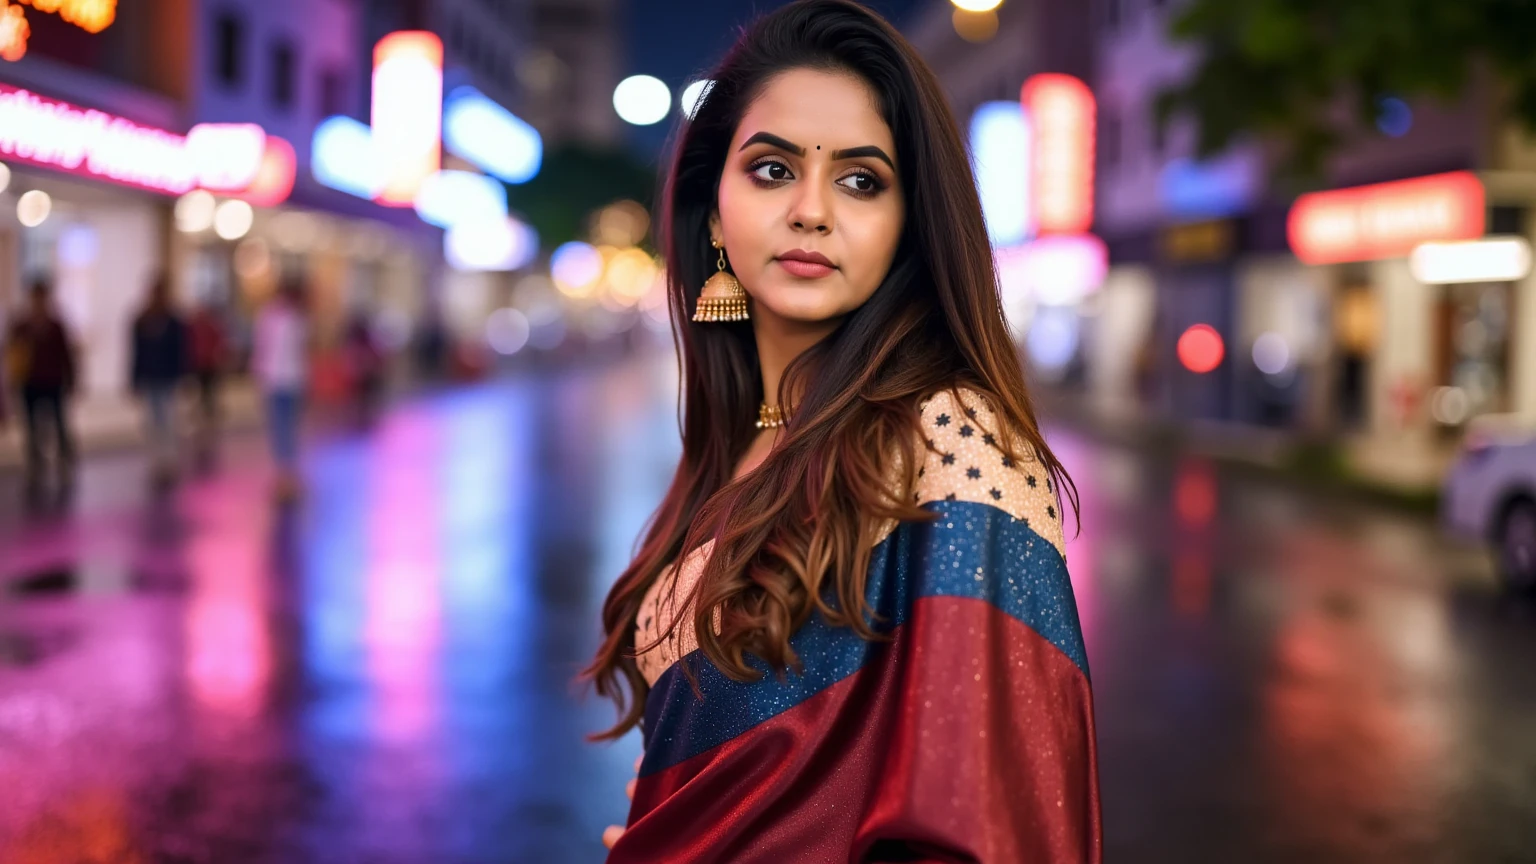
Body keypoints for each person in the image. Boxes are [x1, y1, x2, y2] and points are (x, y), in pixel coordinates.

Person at [584, 2, 1101, 861]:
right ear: (714, 211)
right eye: (772, 169)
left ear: (909, 225)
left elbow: (992, 828)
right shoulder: (739, 443)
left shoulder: (948, 438)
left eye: (862, 180)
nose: (813, 211)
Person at [7, 278, 77, 494]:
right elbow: (13, 353)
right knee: (31, 427)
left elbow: (66, 355)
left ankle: (64, 461)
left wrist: (71, 379)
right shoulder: (21, 325)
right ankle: (35, 463)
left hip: (52, 381)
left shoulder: (55, 325)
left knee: (58, 423)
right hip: (30, 383)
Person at [252, 277, 309, 501]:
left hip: (293, 381)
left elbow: (300, 352)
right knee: (278, 429)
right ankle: (282, 475)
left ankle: (290, 474)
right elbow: (262, 348)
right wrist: (260, 377)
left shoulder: (298, 319)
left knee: (291, 428)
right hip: (275, 380)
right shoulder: (269, 317)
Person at [130, 275, 189, 482]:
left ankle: (169, 460)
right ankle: (157, 460)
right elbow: (136, 352)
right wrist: (135, 378)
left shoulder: (173, 321)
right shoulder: (142, 320)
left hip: (167, 377)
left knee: (169, 420)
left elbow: (181, 351)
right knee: (152, 422)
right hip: (151, 376)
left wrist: (182, 375)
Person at [188, 301, 229, 452]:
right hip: (199, 365)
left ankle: (209, 413)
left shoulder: (211, 326)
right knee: (201, 392)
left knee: (209, 392)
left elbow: (219, 343)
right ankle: (203, 413)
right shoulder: (195, 327)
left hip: (209, 365)